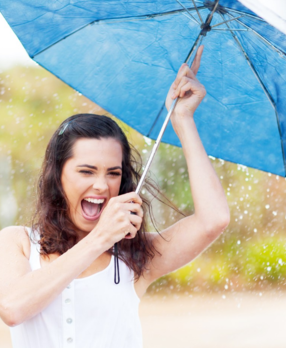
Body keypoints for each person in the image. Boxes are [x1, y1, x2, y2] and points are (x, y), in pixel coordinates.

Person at [0, 46, 230, 347]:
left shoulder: (136, 257)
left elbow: (214, 219)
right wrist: (99, 238)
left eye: (113, 172)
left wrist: (183, 121)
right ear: (57, 175)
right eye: (86, 171)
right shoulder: (16, 242)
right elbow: (13, 308)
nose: (101, 185)